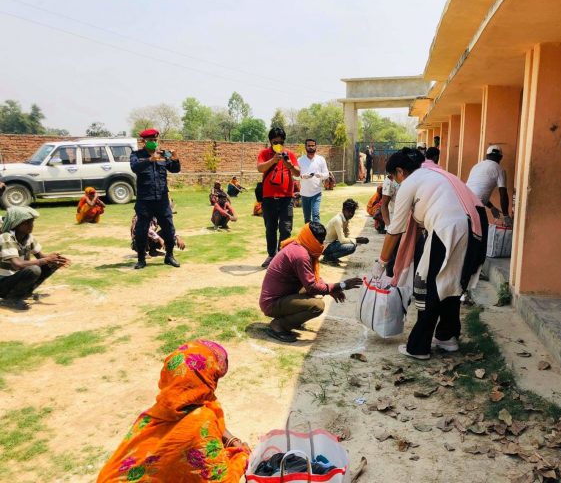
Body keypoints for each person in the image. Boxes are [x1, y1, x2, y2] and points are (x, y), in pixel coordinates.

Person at [374, 148, 487, 359]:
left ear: (400, 171)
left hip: (449, 228)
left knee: (430, 287)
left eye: (392, 177)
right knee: (451, 284)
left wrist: (381, 262)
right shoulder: (436, 174)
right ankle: (447, 337)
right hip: (476, 226)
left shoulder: (410, 182)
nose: (395, 182)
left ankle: (418, 347)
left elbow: (395, 230)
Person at [97, 340, 250, 483]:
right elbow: (222, 480)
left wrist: (232, 440)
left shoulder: (157, 411)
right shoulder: (201, 421)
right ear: (207, 379)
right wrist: (242, 456)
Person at [259, 222, 362, 342]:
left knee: (311, 292)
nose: (322, 244)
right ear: (312, 239)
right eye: (320, 241)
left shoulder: (299, 245)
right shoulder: (301, 255)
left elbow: (312, 279)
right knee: (317, 306)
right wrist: (342, 285)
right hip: (272, 303)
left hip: (279, 296)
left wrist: (331, 290)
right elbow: (312, 286)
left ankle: (290, 319)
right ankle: (279, 325)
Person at [0, 206, 71, 310]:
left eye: (32, 222)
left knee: (51, 264)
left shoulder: (28, 237)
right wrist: (45, 260)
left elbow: (41, 256)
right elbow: (17, 264)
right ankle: (11, 299)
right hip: (3, 282)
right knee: (34, 269)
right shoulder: (6, 237)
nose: (31, 225)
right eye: (27, 222)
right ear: (16, 224)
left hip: (14, 278)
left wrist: (55, 259)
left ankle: (25, 293)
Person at [130, 128, 181, 270]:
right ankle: (141, 259)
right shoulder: (136, 155)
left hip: (162, 199)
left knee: (169, 228)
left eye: (155, 140)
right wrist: (150, 159)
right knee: (141, 230)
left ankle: (169, 256)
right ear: (143, 141)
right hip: (145, 200)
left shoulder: (163, 155)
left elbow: (175, 169)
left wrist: (175, 160)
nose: (153, 142)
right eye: (150, 140)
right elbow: (135, 168)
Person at [257, 127, 300, 268]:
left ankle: (282, 256)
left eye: (281, 142)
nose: (278, 145)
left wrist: (289, 165)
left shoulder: (289, 154)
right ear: (270, 141)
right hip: (269, 198)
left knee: (286, 228)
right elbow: (260, 168)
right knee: (270, 228)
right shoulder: (265, 153)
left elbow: (298, 173)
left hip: (286, 198)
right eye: (275, 142)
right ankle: (271, 255)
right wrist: (273, 161)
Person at [466, 145, 512, 226]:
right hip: (476, 206)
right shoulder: (499, 169)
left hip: (464, 201)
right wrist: (506, 215)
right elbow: (503, 194)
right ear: (500, 157)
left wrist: (491, 207)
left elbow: (478, 191)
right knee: (483, 232)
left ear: (487, 155)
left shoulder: (476, 166)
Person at [322, 199, 369, 265]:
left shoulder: (345, 219)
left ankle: (330, 257)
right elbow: (342, 240)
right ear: (343, 210)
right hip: (325, 246)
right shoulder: (338, 220)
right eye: (349, 211)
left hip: (332, 244)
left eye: (353, 212)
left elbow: (346, 236)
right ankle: (328, 258)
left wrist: (356, 240)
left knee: (353, 244)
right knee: (351, 247)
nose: (351, 214)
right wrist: (357, 240)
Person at [298, 139, 329, 224]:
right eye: (309, 145)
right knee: (307, 218)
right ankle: (308, 236)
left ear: (316, 146)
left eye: (312, 145)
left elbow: (326, 174)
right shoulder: (300, 160)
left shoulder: (321, 159)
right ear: (305, 147)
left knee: (315, 215)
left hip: (316, 192)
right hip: (304, 193)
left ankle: (318, 236)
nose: (311, 147)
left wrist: (320, 175)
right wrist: (302, 176)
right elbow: (294, 176)